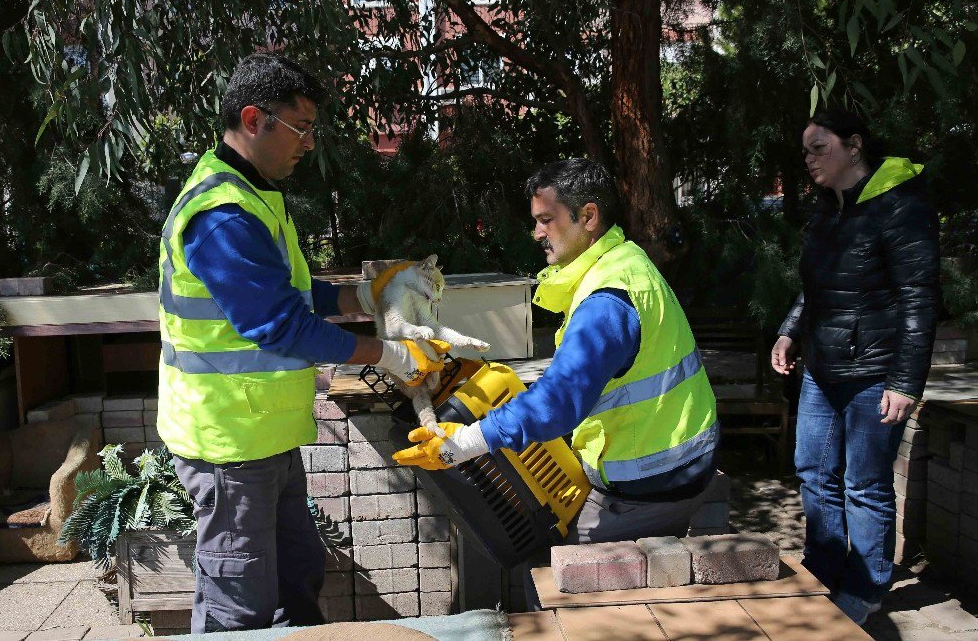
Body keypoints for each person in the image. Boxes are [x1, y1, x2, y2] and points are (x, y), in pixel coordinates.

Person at [156, 53, 443, 633]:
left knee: (297, 578)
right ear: (254, 119)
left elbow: (291, 293)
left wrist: (368, 296)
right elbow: (280, 325)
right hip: (229, 444)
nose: (310, 143)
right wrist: (385, 354)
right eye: (302, 126)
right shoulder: (223, 215)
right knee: (241, 605)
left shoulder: (256, 195)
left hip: (262, 437)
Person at [394, 159, 720, 542]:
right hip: (674, 459)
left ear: (588, 216)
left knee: (557, 566)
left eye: (546, 219)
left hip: (655, 480)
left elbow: (560, 401)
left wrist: (463, 444)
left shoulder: (606, 301)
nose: (536, 233)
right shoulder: (624, 262)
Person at [771, 107, 940, 625]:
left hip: (874, 374)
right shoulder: (829, 208)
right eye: (805, 151)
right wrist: (790, 330)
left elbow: (919, 300)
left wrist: (905, 382)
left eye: (819, 148)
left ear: (855, 146)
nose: (809, 159)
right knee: (813, 472)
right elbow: (816, 284)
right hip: (823, 369)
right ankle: (822, 572)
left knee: (864, 484)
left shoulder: (901, 208)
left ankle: (866, 589)